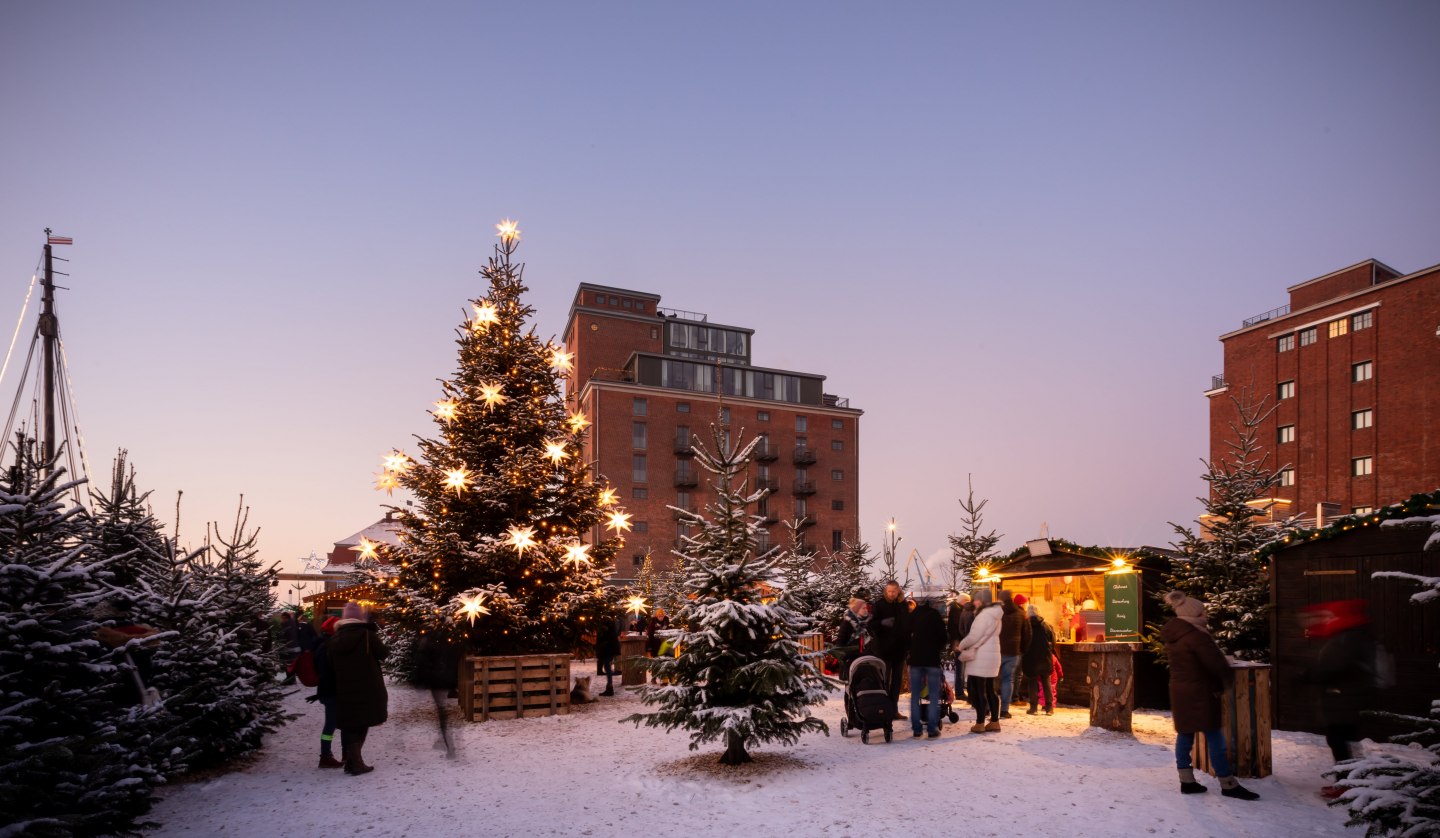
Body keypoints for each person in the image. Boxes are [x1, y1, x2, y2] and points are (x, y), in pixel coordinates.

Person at [1161, 591, 1258, 800]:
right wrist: (1227, 680)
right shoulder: (1196, 636)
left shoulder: (1176, 634)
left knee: (1185, 734)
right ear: (1195, 613)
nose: (1206, 614)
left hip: (1181, 690)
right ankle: (1228, 784)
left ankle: (1187, 781)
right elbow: (1216, 664)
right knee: (1214, 736)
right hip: (1200, 692)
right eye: (1202, 611)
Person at [1300, 599, 1377, 798]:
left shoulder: (1347, 637)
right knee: (1346, 739)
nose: (1328, 619)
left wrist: (1309, 675)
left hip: (1344, 697)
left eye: (1331, 616)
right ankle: (1353, 781)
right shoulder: (1351, 634)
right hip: (1347, 696)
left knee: (1339, 739)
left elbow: (1333, 666)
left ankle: (1348, 783)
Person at [328, 602, 389, 776]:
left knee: (351, 724)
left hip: (344, 687)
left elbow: (330, 664)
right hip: (368, 686)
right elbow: (384, 654)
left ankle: (352, 761)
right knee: (363, 722)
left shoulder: (335, 638)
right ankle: (356, 763)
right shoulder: (368, 635)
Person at [956, 586, 1004, 732]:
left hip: (981, 657)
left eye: (977, 600)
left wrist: (961, 645)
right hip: (993, 655)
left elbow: (974, 636)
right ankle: (995, 721)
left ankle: (980, 723)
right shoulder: (996, 615)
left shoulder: (983, 616)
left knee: (978, 690)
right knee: (990, 689)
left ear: (983, 601)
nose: (974, 603)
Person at [414, 629, 462, 759]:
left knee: (442, 711)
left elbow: (423, 665)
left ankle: (449, 746)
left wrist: (420, 683)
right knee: (442, 710)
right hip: (446, 682)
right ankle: (443, 741)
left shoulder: (428, 644)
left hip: (437, 683)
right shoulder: (449, 643)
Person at [908, 594, 948, 738]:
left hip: (916, 660)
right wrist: (936, 648)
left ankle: (916, 728)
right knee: (933, 695)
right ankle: (931, 728)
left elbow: (906, 636)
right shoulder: (935, 615)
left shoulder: (913, 616)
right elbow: (944, 637)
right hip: (932, 660)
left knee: (915, 695)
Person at [869, 580, 911, 720]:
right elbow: (871, 625)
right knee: (885, 681)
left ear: (898, 590)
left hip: (900, 650)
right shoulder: (879, 605)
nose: (891, 594)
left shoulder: (903, 605)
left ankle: (894, 710)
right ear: (885, 591)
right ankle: (884, 709)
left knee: (897, 682)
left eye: (894, 591)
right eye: (889, 591)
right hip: (884, 650)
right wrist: (882, 623)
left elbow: (907, 625)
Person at [306, 616, 343, 768]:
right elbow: (327, 672)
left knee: (334, 723)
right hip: (331, 692)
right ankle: (325, 755)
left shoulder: (322, 644)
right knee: (330, 725)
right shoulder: (327, 647)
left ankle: (329, 754)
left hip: (328, 691)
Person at [997, 590, 1031, 718]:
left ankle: (989, 707)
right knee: (1008, 680)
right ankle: (1004, 709)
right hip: (1013, 652)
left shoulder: (998, 613)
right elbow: (1028, 634)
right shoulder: (1021, 613)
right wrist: (1022, 650)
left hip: (997, 650)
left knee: (990, 679)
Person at [1022, 604, 1055, 715]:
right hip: (1045, 658)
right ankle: (1049, 708)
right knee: (1046, 683)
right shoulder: (1047, 626)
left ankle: (1033, 708)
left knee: (1032, 683)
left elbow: (1023, 642)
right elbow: (1053, 643)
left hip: (1031, 659)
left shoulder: (1026, 626)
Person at [834, 596, 870, 681]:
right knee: (851, 687)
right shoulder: (847, 624)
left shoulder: (868, 623)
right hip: (851, 660)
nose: (866, 610)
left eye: (866, 608)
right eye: (863, 608)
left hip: (866, 659)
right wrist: (844, 657)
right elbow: (840, 642)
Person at [946, 592, 973, 700]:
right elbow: (956, 628)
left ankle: (960, 691)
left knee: (961, 669)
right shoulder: (957, 611)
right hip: (960, 644)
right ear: (964, 601)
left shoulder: (955, 610)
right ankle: (959, 692)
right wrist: (957, 642)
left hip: (959, 643)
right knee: (960, 670)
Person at [595, 609, 622, 696]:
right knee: (607, 666)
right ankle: (609, 687)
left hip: (608, 648)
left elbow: (605, 637)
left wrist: (600, 645)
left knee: (607, 666)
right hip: (609, 647)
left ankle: (610, 687)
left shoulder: (606, 623)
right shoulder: (610, 622)